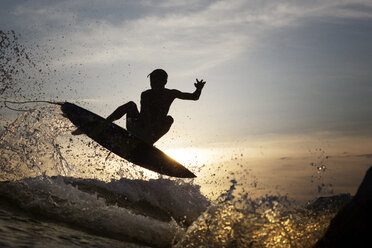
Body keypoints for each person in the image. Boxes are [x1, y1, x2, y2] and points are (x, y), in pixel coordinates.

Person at [73, 69, 206, 145]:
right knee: (131, 105)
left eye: (156, 81)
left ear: (164, 81)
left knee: (169, 119)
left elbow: (194, 97)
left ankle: (149, 143)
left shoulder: (171, 93)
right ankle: (103, 124)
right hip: (138, 127)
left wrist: (198, 89)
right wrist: (145, 132)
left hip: (152, 133)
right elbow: (146, 114)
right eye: (151, 81)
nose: (153, 84)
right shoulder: (146, 94)